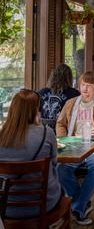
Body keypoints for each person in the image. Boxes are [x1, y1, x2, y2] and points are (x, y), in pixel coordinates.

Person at [56, 72, 94, 225]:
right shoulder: (70, 103)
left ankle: (77, 206)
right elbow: (60, 123)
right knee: (60, 168)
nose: (85, 89)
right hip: (73, 146)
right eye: (83, 85)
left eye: (89, 86)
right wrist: (64, 139)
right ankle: (82, 204)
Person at [0, 90, 61, 219]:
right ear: (36, 110)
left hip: (5, 207)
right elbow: (55, 163)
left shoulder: (2, 135)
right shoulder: (47, 133)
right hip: (42, 205)